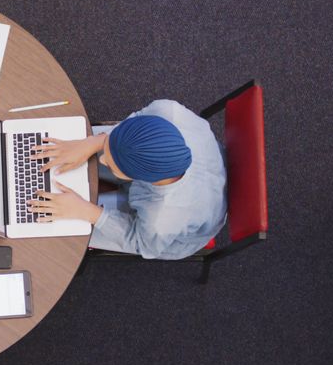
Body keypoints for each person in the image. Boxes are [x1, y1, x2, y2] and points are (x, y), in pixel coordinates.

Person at [27, 99, 226, 260]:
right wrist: (96, 142)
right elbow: (134, 121)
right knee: (69, 141)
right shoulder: (167, 111)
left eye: (110, 164)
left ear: (140, 179)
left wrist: (87, 211)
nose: (102, 160)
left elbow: (140, 242)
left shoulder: (162, 221)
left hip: (155, 235)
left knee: (60, 227)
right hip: (187, 181)